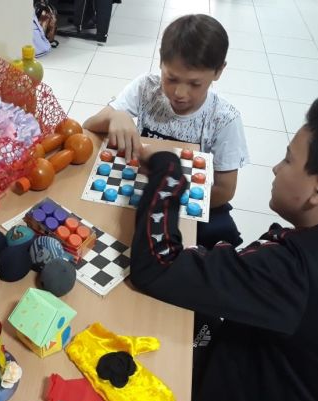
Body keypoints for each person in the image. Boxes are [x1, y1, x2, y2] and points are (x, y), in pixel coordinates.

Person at [129, 92, 318, 401]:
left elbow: (156, 266)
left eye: (288, 160)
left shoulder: (297, 269)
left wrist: (168, 171)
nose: (276, 168)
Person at [83, 14, 248, 249]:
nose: (180, 93)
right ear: (161, 61)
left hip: (186, 204)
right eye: (171, 79)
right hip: (137, 190)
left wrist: (167, 206)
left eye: (195, 84)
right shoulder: (145, 87)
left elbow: (225, 190)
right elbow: (88, 126)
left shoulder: (224, 119)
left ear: (218, 71)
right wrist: (115, 116)